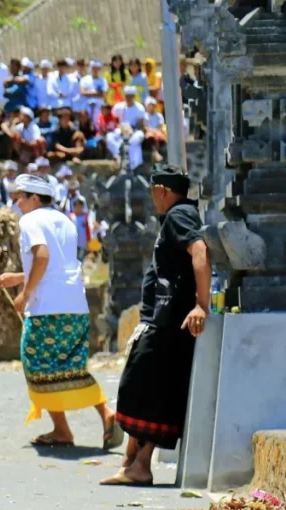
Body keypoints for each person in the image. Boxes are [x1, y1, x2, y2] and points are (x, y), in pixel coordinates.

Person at [0, 174, 123, 449]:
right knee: (70, 367)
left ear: (33, 198)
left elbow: (42, 256)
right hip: (75, 306)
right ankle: (104, 414)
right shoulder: (64, 220)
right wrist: (20, 277)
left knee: (36, 365)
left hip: (47, 309)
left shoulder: (30, 220)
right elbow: (57, 264)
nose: (16, 203)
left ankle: (62, 429)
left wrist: (25, 293)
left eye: (20, 197)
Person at [102, 165, 210, 487]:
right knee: (137, 388)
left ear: (161, 190)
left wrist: (201, 305)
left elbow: (200, 251)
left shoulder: (179, 216)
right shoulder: (175, 217)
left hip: (169, 323)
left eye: (152, 191)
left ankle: (141, 465)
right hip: (159, 320)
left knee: (148, 393)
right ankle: (130, 463)